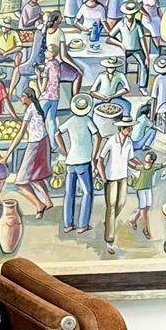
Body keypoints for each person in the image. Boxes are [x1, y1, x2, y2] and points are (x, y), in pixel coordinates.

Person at [54, 94, 101, 234]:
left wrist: (64, 151)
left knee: (69, 193)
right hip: (84, 161)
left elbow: (57, 134)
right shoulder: (87, 120)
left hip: (71, 161)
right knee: (87, 192)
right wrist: (93, 156)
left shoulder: (70, 121)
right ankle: (82, 224)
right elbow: (97, 137)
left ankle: (68, 224)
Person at [6, 89, 54, 218]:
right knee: (36, 177)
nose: (21, 99)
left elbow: (21, 134)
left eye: (23, 96)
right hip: (43, 142)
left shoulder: (30, 110)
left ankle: (39, 205)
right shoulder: (36, 108)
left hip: (35, 145)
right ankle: (48, 201)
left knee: (20, 182)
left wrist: (7, 154)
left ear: (29, 97)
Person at [96, 112, 134, 254]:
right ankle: (109, 240)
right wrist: (103, 177)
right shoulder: (112, 140)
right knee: (111, 207)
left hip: (123, 176)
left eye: (130, 127)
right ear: (122, 128)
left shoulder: (129, 142)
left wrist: (141, 166)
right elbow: (100, 159)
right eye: (128, 127)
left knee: (121, 203)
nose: (130, 130)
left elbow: (131, 160)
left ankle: (108, 222)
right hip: (111, 178)